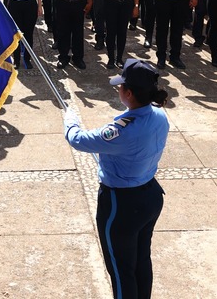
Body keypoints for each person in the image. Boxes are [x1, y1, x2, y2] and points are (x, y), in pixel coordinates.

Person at [64, 58, 169, 299]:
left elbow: (78, 139)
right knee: (142, 259)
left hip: (121, 206)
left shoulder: (122, 130)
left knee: (121, 271)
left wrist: (70, 118)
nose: (118, 89)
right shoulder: (159, 116)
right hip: (150, 196)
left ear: (129, 93)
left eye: (121, 86)